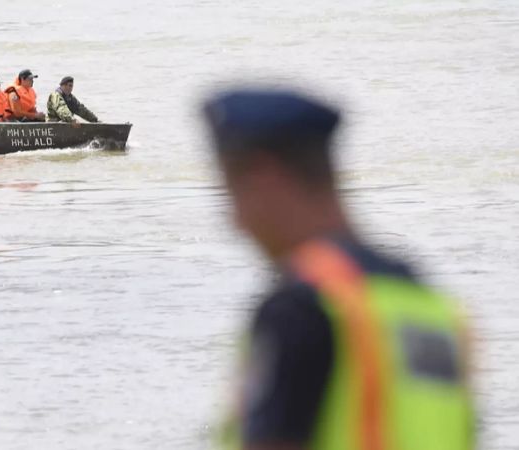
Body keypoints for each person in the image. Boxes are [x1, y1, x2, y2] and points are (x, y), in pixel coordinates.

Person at [202, 88, 474, 450]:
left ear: (263, 177)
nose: (235, 222)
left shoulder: (305, 308)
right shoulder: (434, 307)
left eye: (231, 194)